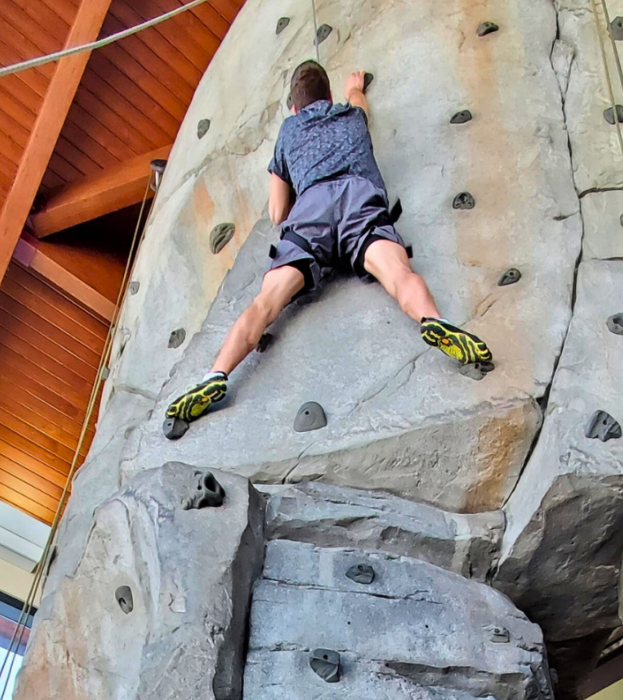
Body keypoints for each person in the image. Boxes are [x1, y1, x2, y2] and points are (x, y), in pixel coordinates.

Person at [165, 60, 493, 427]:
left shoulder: (289, 131)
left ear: (294, 107)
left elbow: (276, 212)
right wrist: (355, 89)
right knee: (397, 272)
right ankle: (434, 320)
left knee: (267, 301)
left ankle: (216, 376)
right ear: (330, 95)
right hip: (358, 197)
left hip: (311, 211)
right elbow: (359, 103)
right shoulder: (351, 116)